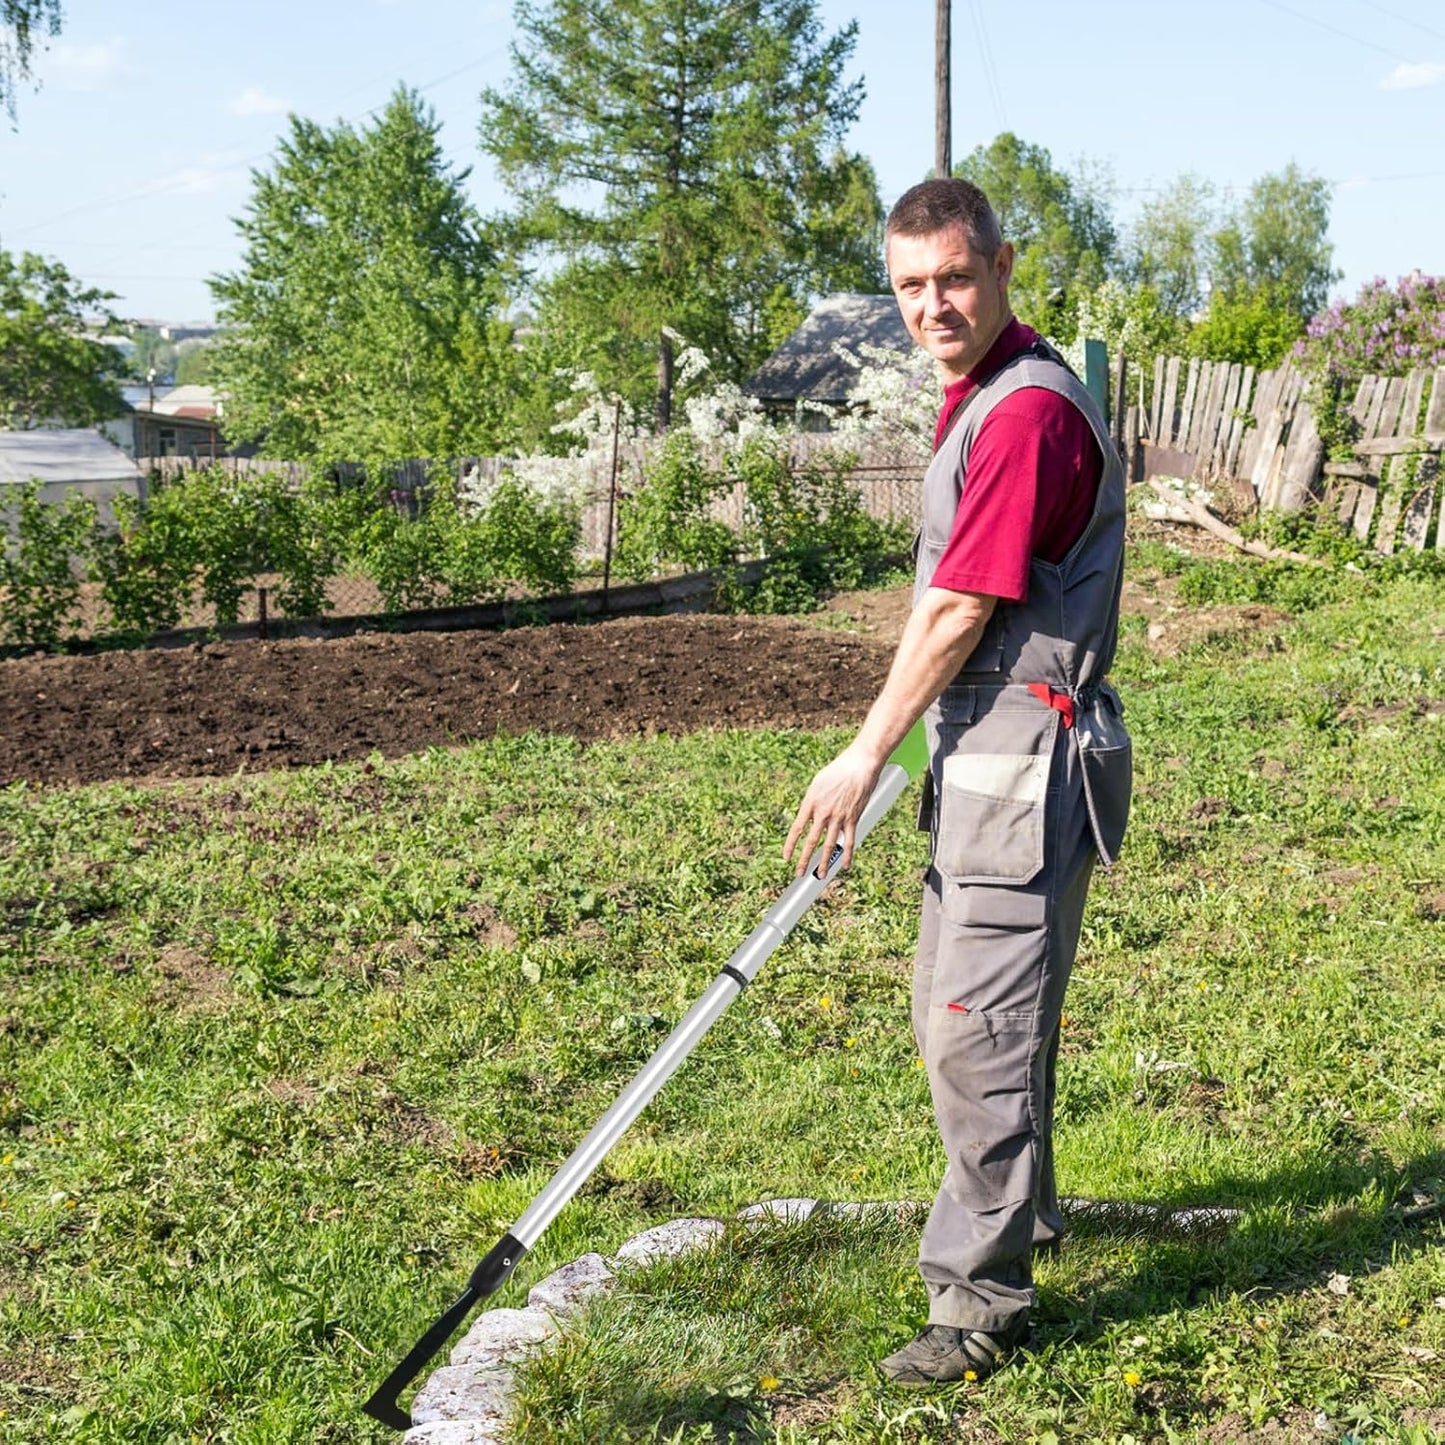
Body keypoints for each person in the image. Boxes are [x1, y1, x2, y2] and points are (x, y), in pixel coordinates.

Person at [783, 177, 1132, 1386]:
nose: (932, 303)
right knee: (966, 1013)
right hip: (987, 755)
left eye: (953, 278)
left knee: (975, 1031)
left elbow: (962, 604)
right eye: (909, 286)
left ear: (998, 267)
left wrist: (863, 748)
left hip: (1021, 758)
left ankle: (978, 1302)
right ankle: (1015, 1227)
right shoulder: (977, 394)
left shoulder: (1027, 413)